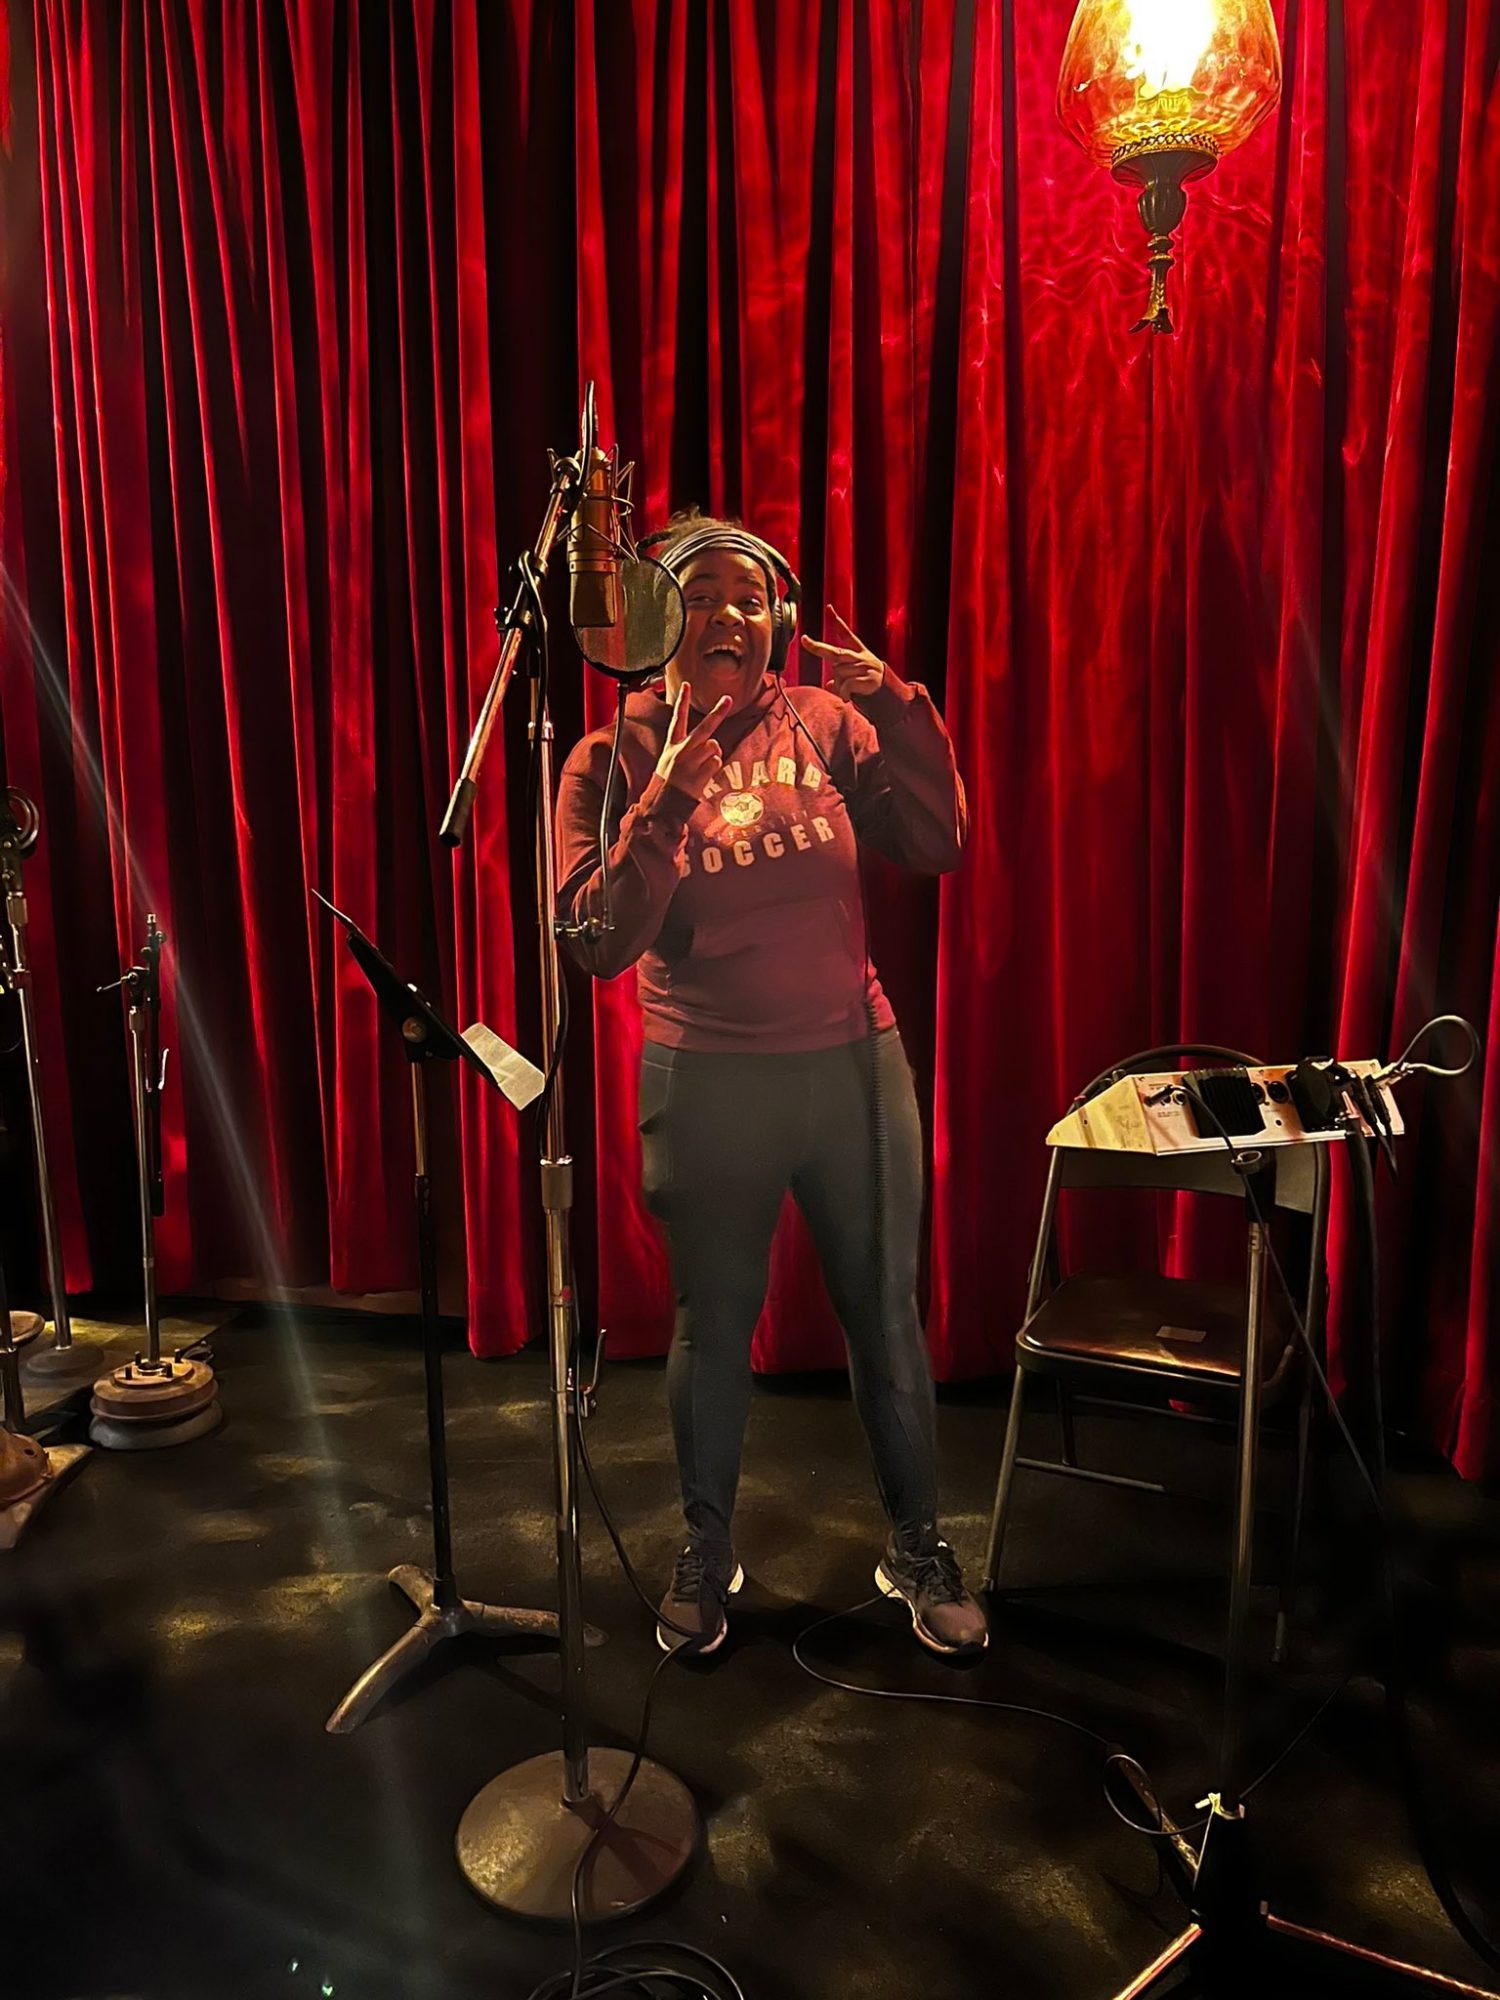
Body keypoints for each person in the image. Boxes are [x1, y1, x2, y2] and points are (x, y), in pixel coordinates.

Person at [555, 510, 988, 1660]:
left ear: (779, 619)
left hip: (853, 1067)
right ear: (658, 620)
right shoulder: (608, 756)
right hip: (707, 1079)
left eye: (749, 598)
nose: (727, 616)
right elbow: (597, 940)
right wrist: (665, 802)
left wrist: (904, 710)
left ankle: (919, 1546)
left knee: (884, 1313)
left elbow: (938, 839)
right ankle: (707, 1549)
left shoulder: (828, 722)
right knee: (712, 1322)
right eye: (699, 597)